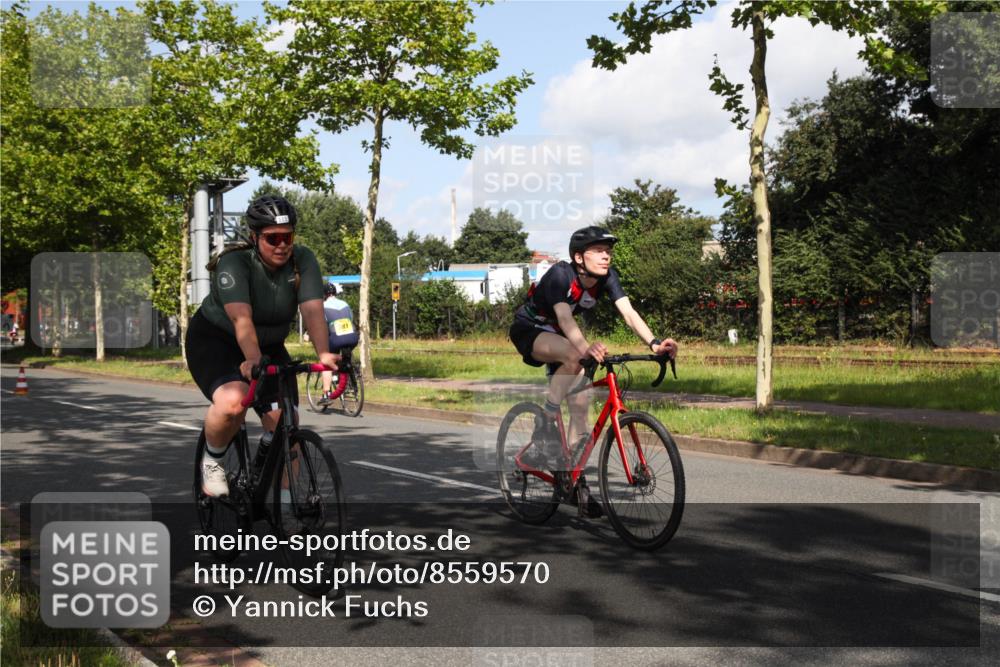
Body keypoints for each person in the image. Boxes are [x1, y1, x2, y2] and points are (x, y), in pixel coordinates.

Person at [187, 195, 339, 497]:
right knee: (233, 403)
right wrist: (253, 360)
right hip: (217, 340)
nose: (282, 245)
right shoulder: (234, 262)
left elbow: (312, 311)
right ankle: (213, 460)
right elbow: (241, 318)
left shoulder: (303, 260)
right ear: (255, 237)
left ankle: (286, 510)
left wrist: (324, 358)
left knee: (287, 428)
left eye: (288, 237)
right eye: (273, 238)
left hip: (269, 344)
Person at [508, 225, 678, 485]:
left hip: (561, 335)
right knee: (575, 356)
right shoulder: (560, 275)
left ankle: (573, 482)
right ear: (579, 257)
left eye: (608, 251)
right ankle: (545, 420)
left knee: (580, 409)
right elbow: (564, 318)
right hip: (530, 329)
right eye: (598, 251)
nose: (606, 256)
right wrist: (585, 347)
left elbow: (629, 314)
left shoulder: (607, 277)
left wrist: (655, 344)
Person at [319, 282, 359, 404]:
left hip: (336, 339)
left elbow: (322, 326)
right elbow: (350, 319)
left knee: (325, 362)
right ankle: (351, 376)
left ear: (324, 294)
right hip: (353, 337)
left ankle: (326, 394)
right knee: (346, 354)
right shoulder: (345, 304)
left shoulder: (323, 306)